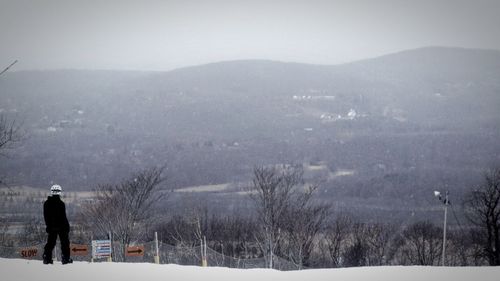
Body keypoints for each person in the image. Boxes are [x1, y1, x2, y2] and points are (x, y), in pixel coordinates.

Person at [42, 184, 73, 264]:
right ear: (60, 192)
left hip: (52, 227)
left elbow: (46, 216)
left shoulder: (46, 203)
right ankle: (65, 258)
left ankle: (47, 258)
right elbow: (63, 217)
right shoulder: (61, 204)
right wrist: (67, 227)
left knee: (50, 243)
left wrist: (48, 226)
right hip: (62, 227)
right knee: (65, 243)